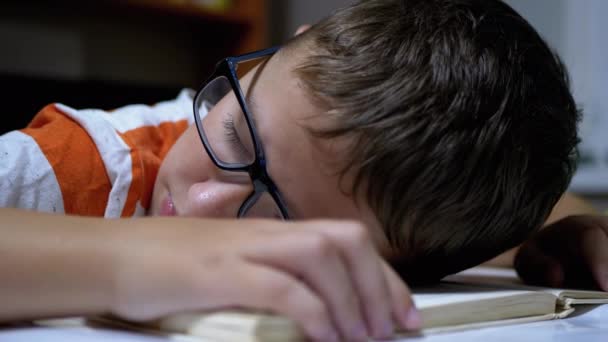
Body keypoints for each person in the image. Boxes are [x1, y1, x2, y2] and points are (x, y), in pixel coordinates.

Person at [0, 0, 604, 341]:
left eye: (275, 219)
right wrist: (129, 258)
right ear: (284, 49)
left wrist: (566, 229)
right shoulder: (75, 166)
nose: (204, 203)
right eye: (234, 133)